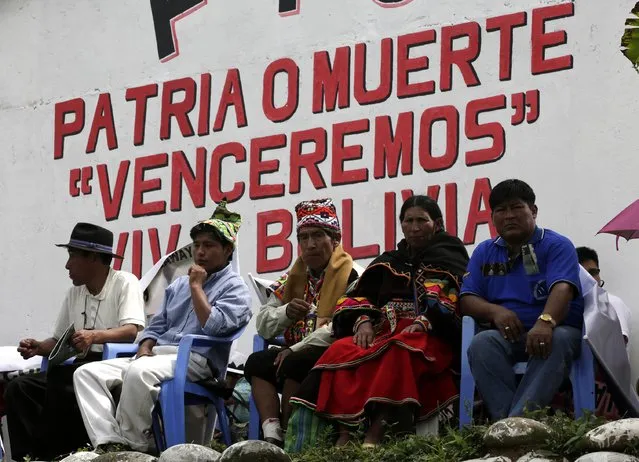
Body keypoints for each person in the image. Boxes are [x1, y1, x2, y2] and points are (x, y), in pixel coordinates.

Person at [73, 201, 252, 453]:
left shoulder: (235, 288)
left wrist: (197, 288)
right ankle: (109, 441)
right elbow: (154, 327)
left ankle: (132, 448)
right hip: (158, 357)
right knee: (87, 374)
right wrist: (145, 346)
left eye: (209, 245)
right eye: (197, 245)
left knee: (139, 372)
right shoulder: (178, 285)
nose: (200, 251)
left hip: (196, 360)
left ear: (227, 250)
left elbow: (213, 327)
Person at [291, 195, 469, 447]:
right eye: (408, 221)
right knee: (340, 350)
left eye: (422, 220)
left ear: (437, 224)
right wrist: (363, 321)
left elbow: (452, 299)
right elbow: (356, 296)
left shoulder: (451, 255)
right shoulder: (390, 260)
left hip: (430, 334)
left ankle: (376, 432)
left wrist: (424, 322)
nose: (415, 227)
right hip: (383, 330)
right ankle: (345, 434)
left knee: (399, 349)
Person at [4, 223, 146, 460]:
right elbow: (59, 340)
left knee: (62, 380)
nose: (67, 265)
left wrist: (94, 336)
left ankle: (59, 454)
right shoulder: (74, 292)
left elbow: (131, 330)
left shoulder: (125, 282)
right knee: (20, 388)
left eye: (72, 257)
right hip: (80, 364)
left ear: (93, 258)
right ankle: (27, 456)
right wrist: (38, 347)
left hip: (113, 364)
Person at [461, 179, 584, 420]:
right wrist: (495, 311)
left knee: (556, 339)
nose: (509, 216)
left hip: (557, 329)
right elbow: (467, 299)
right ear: (493, 217)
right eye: (501, 210)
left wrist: (545, 322)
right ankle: (514, 427)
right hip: (509, 335)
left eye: (516, 208)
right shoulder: (485, 252)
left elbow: (562, 288)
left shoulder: (556, 245)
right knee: (482, 343)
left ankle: (515, 425)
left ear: (533, 211)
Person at [244, 198, 359, 446]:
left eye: (318, 236)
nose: (310, 245)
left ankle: (292, 438)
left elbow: (339, 327)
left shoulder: (353, 274)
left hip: (333, 355)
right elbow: (263, 324)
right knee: (256, 362)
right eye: (303, 238)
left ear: (335, 239)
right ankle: (272, 434)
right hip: (292, 354)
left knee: (293, 362)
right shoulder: (293, 277)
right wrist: (286, 312)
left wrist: (294, 349)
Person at [576, 246, 631, 346]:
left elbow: (618, 343)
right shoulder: (571, 305)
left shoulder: (612, 302)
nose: (590, 278)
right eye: (584, 274)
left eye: (593, 272)